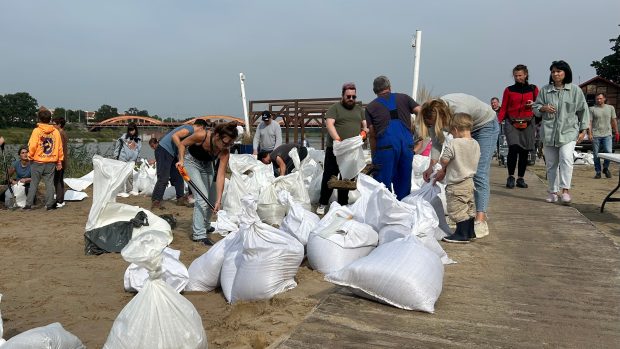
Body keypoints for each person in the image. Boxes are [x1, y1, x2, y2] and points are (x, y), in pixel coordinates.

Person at [418, 93, 499, 239]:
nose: (431, 127)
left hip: (485, 125)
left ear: (440, 118)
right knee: (464, 176)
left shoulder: (459, 111)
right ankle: (467, 222)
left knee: (478, 172)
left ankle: (480, 219)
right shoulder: (432, 116)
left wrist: (444, 169)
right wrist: (431, 167)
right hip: (466, 129)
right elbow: (437, 142)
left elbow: (460, 151)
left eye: (432, 124)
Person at [533, 60, 590, 204]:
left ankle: (565, 191)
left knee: (566, 158)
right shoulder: (545, 90)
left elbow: (583, 110)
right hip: (549, 133)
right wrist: (542, 108)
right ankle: (553, 192)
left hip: (569, 131)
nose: (555, 74)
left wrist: (583, 130)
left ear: (565, 73)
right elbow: (535, 108)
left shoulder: (575, 90)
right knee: (551, 163)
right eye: (553, 72)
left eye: (558, 71)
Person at [177, 122, 238, 245]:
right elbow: (182, 144)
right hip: (191, 163)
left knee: (212, 198)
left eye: (230, 144)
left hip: (207, 167)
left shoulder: (225, 152)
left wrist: (219, 200)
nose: (226, 147)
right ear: (216, 136)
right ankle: (198, 234)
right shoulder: (202, 135)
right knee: (202, 197)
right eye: (225, 143)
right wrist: (181, 160)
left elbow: (221, 176)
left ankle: (205, 225)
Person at [365, 75, 421, 200]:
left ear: (375, 91)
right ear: (389, 87)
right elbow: (420, 111)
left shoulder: (371, 107)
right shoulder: (404, 98)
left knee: (383, 185)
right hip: (406, 145)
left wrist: (374, 155)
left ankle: (387, 213)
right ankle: (403, 211)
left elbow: (372, 133)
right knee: (404, 181)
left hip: (386, 147)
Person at [316, 82, 368, 215]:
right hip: (335, 149)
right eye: (348, 96)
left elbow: (365, 126)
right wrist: (337, 139)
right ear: (342, 96)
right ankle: (323, 203)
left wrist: (364, 132)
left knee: (347, 177)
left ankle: (343, 203)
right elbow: (329, 124)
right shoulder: (335, 108)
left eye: (353, 97)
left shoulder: (359, 110)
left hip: (351, 151)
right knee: (330, 176)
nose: (351, 99)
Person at [435, 113, 480, 243]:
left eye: (451, 132)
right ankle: (471, 232)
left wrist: (443, 165)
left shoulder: (454, 143)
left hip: (456, 182)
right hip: (470, 182)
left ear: (455, 129)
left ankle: (461, 234)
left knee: (457, 209)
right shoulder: (476, 143)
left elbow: (444, 160)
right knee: (469, 207)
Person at [498, 64, 539, 189]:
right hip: (512, 122)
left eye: (520, 75)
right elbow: (504, 107)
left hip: (528, 122)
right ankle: (510, 176)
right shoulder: (509, 90)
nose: (518, 78)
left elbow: (539, 105)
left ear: (526, 75)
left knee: (524, 151)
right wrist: (498, 121)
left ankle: (521, 178)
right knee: (514, 148)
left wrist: (533, 106)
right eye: (515, 76)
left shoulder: (533, 89)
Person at [152, 119, 207, 209]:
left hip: (172, 153)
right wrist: (181, 147)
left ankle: (180, 199)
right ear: (201, 127)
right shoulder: (190, 129)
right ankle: (156, 201)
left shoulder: (190, 132)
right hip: (164, 150)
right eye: (203, 130)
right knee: (164, 177)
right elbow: (175, 136)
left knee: (179, 175)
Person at [25, 107, 64, 210]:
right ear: (50, 119)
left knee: (34, 183)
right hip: (51, 161)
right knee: (49, 184)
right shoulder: (55, 132)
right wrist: (59, 161)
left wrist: (30, 156)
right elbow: (59, 147)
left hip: (37, 161)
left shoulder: (36, 131)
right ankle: (50, 204)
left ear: (39, 119)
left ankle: (28, 204)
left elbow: (32, 145)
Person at [589, 93, 618, 179]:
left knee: (608, 152)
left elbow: (614, 120)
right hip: (596, 134)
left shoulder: (610, 108)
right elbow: (589, 122)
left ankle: (605, 168)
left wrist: (617, 132)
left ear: (604, 99)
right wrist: (590, 133)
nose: (599, 100)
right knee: (596, 154)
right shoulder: (592, 109)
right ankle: (598, 171)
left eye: (600, 98)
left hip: (607, 134)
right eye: (597, 99)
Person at [114, 122, 141, 194]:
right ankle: (120, 191)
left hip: (131, 160)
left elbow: (138, 150)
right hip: (123, 158)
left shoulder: (138, 139)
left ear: (135, 130)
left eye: (132, 130)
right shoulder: (123, 138)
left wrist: (137, 160)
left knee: (130, 175)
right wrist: (115, 156)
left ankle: (129, 190)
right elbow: (117, 147)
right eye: (130, 130)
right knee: (122, 175)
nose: (131, 132)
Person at [52, 117, 68, 207]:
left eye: (54, 124)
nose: (52, 125)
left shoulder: (60, 134)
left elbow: (59, 148)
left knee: (57, 180)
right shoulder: (63, 133)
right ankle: (60, 199)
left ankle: (59, 200)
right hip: (63, 160)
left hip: (60, 160)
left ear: (59, 125)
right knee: (59, 180)